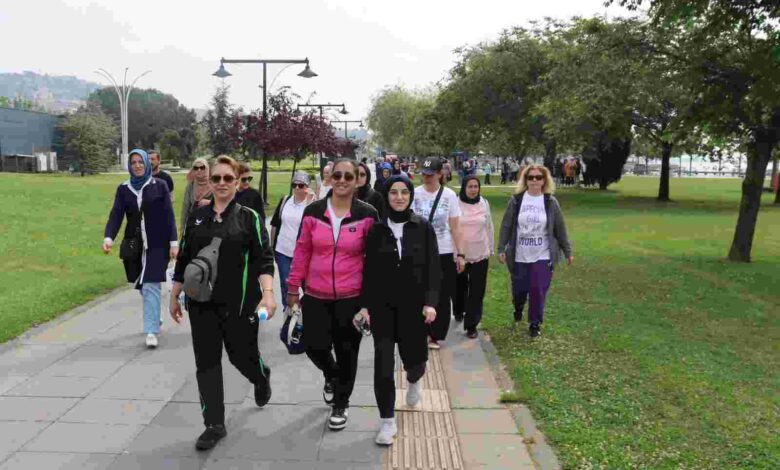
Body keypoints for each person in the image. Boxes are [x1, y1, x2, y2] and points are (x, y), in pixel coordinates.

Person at [169, 155, 276, 451]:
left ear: (238, 181)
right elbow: (186, 258)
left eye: (228, 178)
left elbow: (264, 260)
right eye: (216, 178)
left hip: (240, 305)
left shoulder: (247, 218)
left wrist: (268, 294)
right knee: (206, 362)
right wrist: (175, 293)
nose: (221, 183)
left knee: (241, 356)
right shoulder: (198, 217)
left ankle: (261, 375)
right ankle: (214, 424)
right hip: (202, 304)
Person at [286, 158, 378, 431]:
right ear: (329, 178)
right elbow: (302, 250)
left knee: (347, 350)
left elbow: (375, 260)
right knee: (314, 346)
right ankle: (332, 374)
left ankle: (341, 402)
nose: (341, 180)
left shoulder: (368, 213)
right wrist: (293, 287)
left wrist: (370, 301)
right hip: (315, 294)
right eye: (336, 175)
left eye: (348, 176)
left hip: (352, 297)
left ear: (357, 180)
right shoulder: (313, 211)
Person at [360, 174, 440, 445]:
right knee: (383, 365)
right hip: (382, 308)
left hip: (413, 308)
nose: (399, 197)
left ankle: (415, 380)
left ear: (410, 195)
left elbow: (433, 268)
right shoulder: (375, 230)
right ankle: (387, 421)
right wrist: (366, 306)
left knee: (415, 361)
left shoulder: (423, 227)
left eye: (404, 192)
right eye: (393, 192)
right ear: (386, 196)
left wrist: (430, 302)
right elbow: (368, 271)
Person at [103, 149, 178, 348]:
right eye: (133, 162)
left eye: (140, 162)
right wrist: (109, 237)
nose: (137, 165)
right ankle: (155, 314)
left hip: (157, 244)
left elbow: (169, 216)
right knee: (140, 284)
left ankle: (151, 331)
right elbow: (116, 214)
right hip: (134, 245)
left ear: (147, 164)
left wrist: (173, 242)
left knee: (151, 284)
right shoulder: (124, 189)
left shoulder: (159, 186)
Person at [497, 164, 573, 337]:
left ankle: (534, 323)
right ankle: (518, 307)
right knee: (520, 290)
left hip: (543, 254)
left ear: (544, 180)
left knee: (538, 289)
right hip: (520, 254)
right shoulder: (516, 200)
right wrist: (502, 248)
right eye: (530, 177)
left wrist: (568, 251)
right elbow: (506, 225)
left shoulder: (550, 202)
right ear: (525, 180)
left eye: (538, 177)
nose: (534, 180)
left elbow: (560, 229)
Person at [412, 156, 465, 349]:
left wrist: (461, 254)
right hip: (418, 250)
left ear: (440, 174)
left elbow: (456, 228)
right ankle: (419, 330)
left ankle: (435, 334)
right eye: (424, 173)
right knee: (418, 291)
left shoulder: (449, 196)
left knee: (442, 293)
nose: (426, 177)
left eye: (431, 174)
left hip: (443, 250)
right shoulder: (414, 194)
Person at [453, 176, 494, 338]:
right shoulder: (455, 203)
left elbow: (489, 226)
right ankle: (458, 310)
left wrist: (490, 247)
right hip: (460, 254)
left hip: (480, 253)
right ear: (464, 188)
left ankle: (471, 325)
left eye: (476, 186)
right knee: (459, 287)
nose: (473, 189)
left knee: (477, 290)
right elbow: (452, 228)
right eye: (470, 186)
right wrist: (455, 253)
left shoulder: (484, 203)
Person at [269, 171, 314, 308]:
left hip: (306, 255)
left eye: (301, 185)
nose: (297, 188)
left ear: (307, 186)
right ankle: (288, 316)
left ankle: (305, 317)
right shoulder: (285, 200)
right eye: (294, 185)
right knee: (286, 286)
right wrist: (272, 247)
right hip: (283, 251)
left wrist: (311, 203)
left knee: (308, 287)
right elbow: (275, 224)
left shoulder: (313, 204)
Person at [181, 157, 212, 229]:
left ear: (207, 168)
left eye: (202, 167)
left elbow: (223, 204)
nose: (199, 170)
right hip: (192, 224)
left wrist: (210, 202)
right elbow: (186, 207)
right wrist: (183, 228)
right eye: (196, 168)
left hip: (210, 225)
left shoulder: (215, 184)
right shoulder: (191, 185)